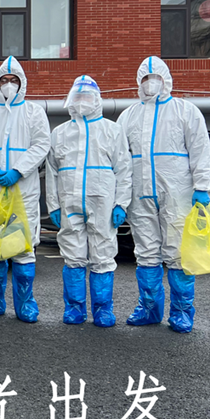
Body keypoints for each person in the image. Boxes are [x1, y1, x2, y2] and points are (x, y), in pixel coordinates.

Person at [116, 56, 210, 334]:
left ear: (166, 79)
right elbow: (120, 159)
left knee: (178, 252)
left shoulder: (185, 111)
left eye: (155, 78)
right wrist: (120, 197)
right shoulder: (128, 116)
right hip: (140, 193)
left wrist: (201, 187)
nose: (151, 83)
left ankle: (181, 312)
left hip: (177, 192)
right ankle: (149, 309)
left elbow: (200, 149)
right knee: (146, 251)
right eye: (146, 79)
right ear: (139, 82)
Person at [47, 76, 132, 327]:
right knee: (73, 255)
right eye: (78, 97)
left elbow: (123, 168)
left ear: (96, 100)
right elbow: (52, 171)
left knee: (103, 254)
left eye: (86, 97)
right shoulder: (60, 132)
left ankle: (103, 310)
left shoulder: (112, 130)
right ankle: (74, 309)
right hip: (69, 202)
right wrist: (53, 205)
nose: (82, 101)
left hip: (102, 202)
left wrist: (121, 203)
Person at [0, 57, 51, 322]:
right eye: (4, 80)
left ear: (22, 83)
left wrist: (18, 170)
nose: (9, 85)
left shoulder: (34, 112)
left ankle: (25, 303)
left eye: (14, 80)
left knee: (23, 245)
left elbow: (42, 144)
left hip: (23, 189)